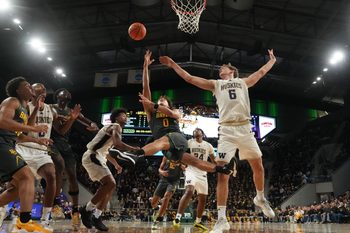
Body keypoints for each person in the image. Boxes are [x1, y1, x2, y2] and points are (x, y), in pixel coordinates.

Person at [159, 49, 277, 232]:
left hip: (245, 128)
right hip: (227, 131)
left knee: (258, 166)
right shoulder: (216, 84)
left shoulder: (243, 82)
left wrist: (272, 61)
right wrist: (173, 64)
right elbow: (189, 78)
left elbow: (261, 72)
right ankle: (222, 219)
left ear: (231, 71)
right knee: (223, 173)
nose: (220, 69)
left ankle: (260, 198)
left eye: (223, 67)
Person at [111, 50, 236, 177]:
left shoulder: (174, 110)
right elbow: (146, 87)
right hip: (167, 149)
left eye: (162, 101)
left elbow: (174, 115)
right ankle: (222, 169)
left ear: (168, 104)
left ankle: (136, 155)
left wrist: (156, 105)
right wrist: (145, 67)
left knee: (162, 141)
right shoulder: (151, 113)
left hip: (176, 137)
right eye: (159, 101)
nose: (160, 101)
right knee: (194, 161)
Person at [15, 83, 77, 228]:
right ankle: (5, 211)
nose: (41, 95)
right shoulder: (24, 108)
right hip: (24, 147)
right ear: (31, 94)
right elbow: (22, 134)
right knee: (14, 188)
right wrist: (36, 108)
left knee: (51, 174)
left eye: (43, 93)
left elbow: (61, 131)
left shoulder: (50, 109)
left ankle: (45, 219)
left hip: (41, 150)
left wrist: (72, 119)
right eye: (37, 93)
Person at [0, 77, 51, 232]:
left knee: (16, 188)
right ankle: (24, 221)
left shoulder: (24, 107)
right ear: (18, 90)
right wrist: (36, 129)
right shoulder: (12, 101)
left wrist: (38, 140)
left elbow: (21, 132)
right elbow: (2, 121)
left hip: (8, 143)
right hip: (0, 142)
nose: (31, 88)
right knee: (27, 176)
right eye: (27, 86)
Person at [80, 108, 139, 231]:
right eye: (123, 115)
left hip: (99, 156)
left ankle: (97, 216)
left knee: (111, 187)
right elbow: (118, 144)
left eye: (126, 116)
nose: (125, 117)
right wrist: (133, 149)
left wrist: (116, 164)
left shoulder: (115, 129)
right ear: (116, 118)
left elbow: (106, 152)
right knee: (110, 183)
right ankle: (87, 209)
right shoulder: (115, 126)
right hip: (92, 155)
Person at [50, 88, 99, 229]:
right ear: (57, 96)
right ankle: (55, 203)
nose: (65, 93)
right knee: (59, 167)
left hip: (65, 146)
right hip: (52, 143)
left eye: (67, 93)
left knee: (72, 176)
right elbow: (61, 130)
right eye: (62, 93)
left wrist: (92, 125)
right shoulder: (51, 109)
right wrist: (72, 118)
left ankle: (76, 210)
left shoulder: (72, 110)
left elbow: (87, 121)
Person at [173, 128, 216, 231]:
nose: (196, 130)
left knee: (203, 199)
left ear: (202, 133)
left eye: (198, 130)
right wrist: (181, 164)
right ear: (193, 134)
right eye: (194, 130)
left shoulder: (208, 146)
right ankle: (177, 218)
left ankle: (198, 221)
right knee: (189, 191)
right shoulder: (189, 142)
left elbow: (214, 160)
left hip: (203, 173)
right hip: (191, 170)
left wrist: (220, 167)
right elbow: (182, 155)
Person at [151, 157, 185, 229]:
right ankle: (157, 208)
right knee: (153, 203)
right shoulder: (166, 157)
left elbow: (186, 168)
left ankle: (158, 219)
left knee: (167, 196)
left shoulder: (181, 157)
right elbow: (159, 169)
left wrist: (181, 166)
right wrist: (162, 172)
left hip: (174, 181)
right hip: (164, 180)